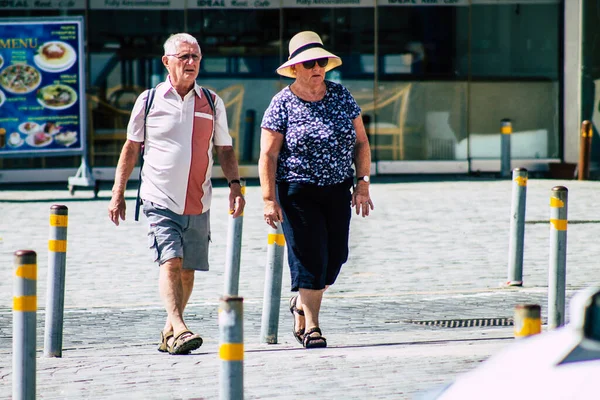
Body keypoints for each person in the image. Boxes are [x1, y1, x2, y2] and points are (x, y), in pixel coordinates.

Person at [108, 33, 245, 355]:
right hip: (158, 196)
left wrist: (236, 186)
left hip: (199, 199)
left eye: (196, 57)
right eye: (184, 57)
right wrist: (118, 191)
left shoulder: (211, 101)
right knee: (170, 260)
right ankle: (181, 327)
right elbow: (131, 147)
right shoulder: (149, 100)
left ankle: (170, 332)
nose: (191, 63)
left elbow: (224, 149)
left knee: (187, 269)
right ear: (166, 61)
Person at [258, 31, 374, 349]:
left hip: (337, 188)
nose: (316, 68)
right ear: (295, 68)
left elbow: (361, 141)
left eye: (320, 62)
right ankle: (312, 326)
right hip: (297, 190)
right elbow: (267, 155)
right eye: (309, 63)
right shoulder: (282, 103)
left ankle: (300, 304)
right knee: (310, 257)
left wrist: (362, 183)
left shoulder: (340, 95)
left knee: (335, 257)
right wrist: (268, 199)